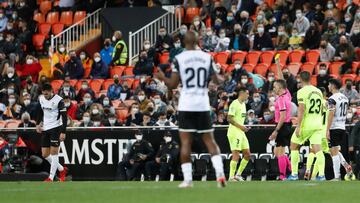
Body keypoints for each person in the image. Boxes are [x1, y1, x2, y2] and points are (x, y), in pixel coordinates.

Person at [155, 31, 226, 188]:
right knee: (210, 140)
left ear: (183, 42)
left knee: (185, 142)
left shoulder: (179, 59)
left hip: (186, 104)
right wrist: (224, 76)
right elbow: (216, 80)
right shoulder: (206, 57)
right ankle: (220, 174)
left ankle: (188, 180)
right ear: (197, 41)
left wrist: (162, 78)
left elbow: (172, 84)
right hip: (202, 103)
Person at [288, 71, 326, 181]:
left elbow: (301, 109)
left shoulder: (301, 92)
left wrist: (299, 126)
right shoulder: (318, 91)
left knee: (293, 145)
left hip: (306, 124)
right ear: (310, 78)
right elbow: (323, 107)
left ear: (300, 79)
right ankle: (322, 175)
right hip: (317, 123)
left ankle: (294, 174)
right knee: (318, 150)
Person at [36, 83, 67, 182]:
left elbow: (64, 117)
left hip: (56, 128)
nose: (45, 96)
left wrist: (63, 132)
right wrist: (38, 124)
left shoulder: (59, 100)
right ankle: (62, 169)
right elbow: (40, 111)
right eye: (44, 94)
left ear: (51, 91)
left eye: (47, 94)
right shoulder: (41, 98)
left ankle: (51, 177)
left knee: (54, 153)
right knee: (45, 154)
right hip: (46, 128)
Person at [268, 58, 292, 180]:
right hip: (286, 125)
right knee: (277, 153)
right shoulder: (287, 93)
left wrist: (276, 131)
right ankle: (291, 170)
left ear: (281, 88)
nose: (274, 88)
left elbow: (282, 116)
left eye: (275, 86)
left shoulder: (282, 99)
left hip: (282, 126)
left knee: (280, 152)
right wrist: (278, 64)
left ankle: (283, 176)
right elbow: (282, 79)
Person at [327, 79, 354, 180]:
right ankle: (347, 166)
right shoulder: (345, 98)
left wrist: (327, 129)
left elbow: (331, 113)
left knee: (333, 152)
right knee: (335, 150)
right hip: (342, 126)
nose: (328, 86)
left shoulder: (332, 98)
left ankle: (337, 176)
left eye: (329, 84)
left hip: (334, 127)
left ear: (333, 86)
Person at [305, 87, 333, 180]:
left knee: (312, 151)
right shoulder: (328, 103)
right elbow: (331, 115)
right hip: (324, 131)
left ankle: (308, 170)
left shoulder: (315, 102)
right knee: (321, 153)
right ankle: (314, 175)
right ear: (325, 93)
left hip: (315, 130)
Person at [226, 87, 251, 181]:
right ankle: (231, 177)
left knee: (247, 154)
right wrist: (241, 127)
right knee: (236, 154)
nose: (248, 95)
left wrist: (243, 127)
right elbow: (229, 118)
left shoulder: (243, 104)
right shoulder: (234, 103)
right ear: (242, 93)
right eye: (247, 93)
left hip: (241, 132)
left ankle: (238, 175)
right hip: (234, 132)